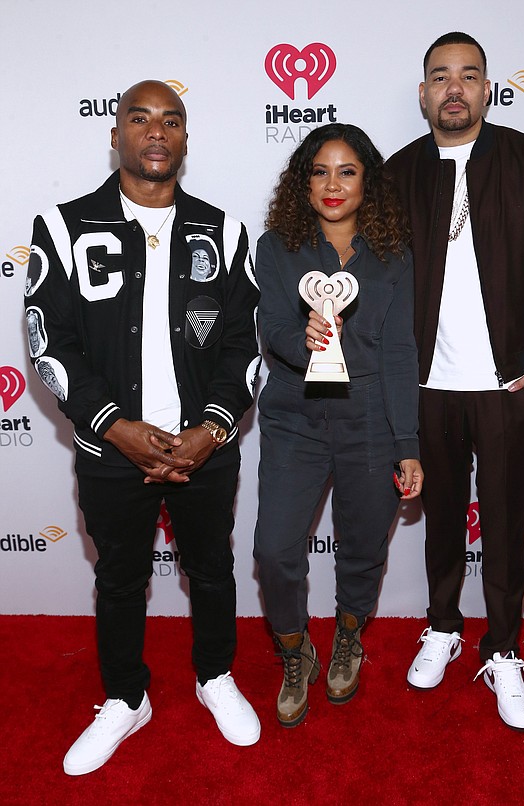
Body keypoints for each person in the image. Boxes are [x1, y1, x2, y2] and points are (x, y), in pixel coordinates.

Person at [24, 80, 262, 775]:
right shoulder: (63, 227)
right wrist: (115, 426)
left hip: (206, 448)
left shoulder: (224, 231)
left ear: (186, 138)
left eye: (172, 120)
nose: (156, 132)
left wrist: (212, 427)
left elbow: (246, 343)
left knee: (212, 570)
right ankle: (127, 697)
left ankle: (214, 676)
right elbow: (48, 340)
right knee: (121, 580)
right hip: (109, 450)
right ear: (116, 133)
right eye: (140, 118)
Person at [386, 32, 524, 730]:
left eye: (468, 76)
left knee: (504, 527)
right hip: (426, 389)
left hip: (509, 388)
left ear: (487, 88)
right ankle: (443, 627)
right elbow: (379, 281)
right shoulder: (399, 173)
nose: (454, 88)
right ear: (423, 93)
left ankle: (503, 650)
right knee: (441, 521)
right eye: (440, 76)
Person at [253, 123, 423, 728]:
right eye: (319, 171)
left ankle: (349, 633)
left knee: (362, 548)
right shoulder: (276, 248)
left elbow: (401, 352)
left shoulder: (394, 255)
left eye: (347, 171)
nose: (332, 184)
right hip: (295, 419)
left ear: (367, 182)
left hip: (372, 422)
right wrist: (300, 340)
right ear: (303, 182)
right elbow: (271, 328)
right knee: (273, 549)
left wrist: (408, 444)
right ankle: (296, 650)